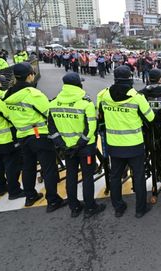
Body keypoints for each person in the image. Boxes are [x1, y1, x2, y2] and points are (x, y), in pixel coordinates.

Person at [3, 62, 66, 211]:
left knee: (28, 167)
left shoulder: (9, 94)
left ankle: (30, 196)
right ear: (30, 75)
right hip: (40, 135)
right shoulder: (33, 94)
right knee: (49, 168)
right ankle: (52, 200)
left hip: (22, 135)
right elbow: (48, 113)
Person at [97, 66, 155, 218]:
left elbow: (99, 115)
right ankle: (140, 209)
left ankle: (118, 207)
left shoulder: (103, 95)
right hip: (134, 144)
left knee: (115, 176)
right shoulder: (136, 97)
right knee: (139, 176)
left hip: (114, 144)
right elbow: (150, 117)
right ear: (129, 78)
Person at [48, 72, 105, 218]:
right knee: (87, 177)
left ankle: (74, 207)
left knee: (71, 176)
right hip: (85, 148)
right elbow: (92, 127)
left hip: (66, 148)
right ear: (79, 84)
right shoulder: (85, 103)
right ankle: (90, 207)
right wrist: (80, 144)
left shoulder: (53, 103)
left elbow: (52, 129)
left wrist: (62, 145)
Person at [0, 74, 24, 199]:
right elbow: (10, 116)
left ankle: (0, 188)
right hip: (5, 138)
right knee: (12, 164)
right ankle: (14, 191)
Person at [139, 69, 161, 183]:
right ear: (160, 79)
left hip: (148, 127)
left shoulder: (141, 93)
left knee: (153, 151)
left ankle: (158, 173)